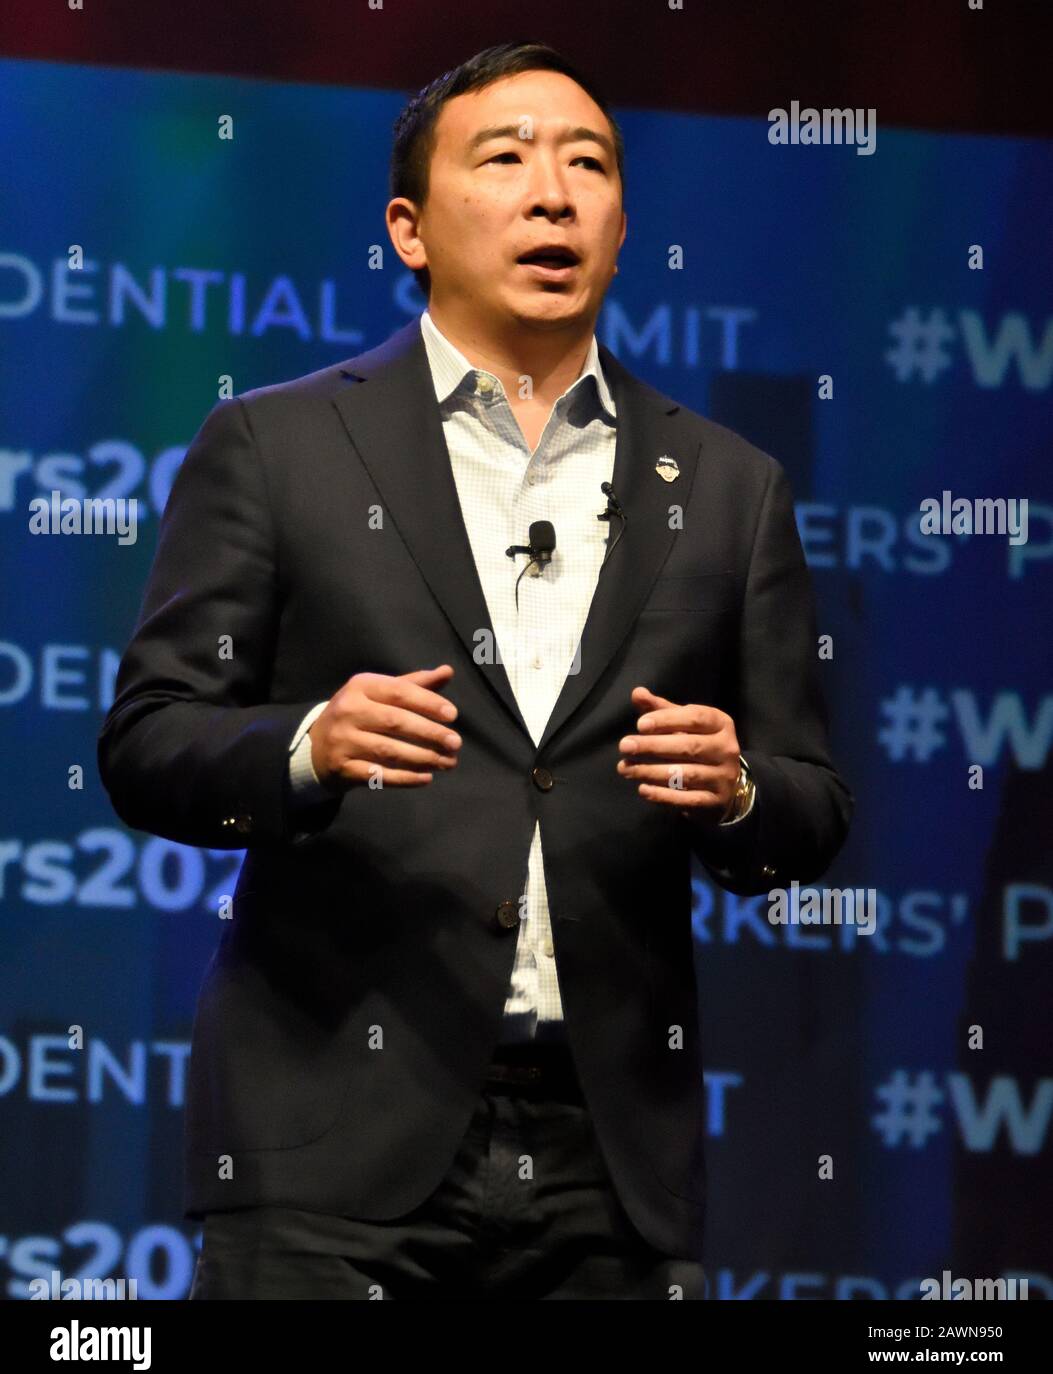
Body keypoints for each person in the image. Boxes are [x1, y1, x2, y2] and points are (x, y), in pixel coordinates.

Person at [97, 40, 853, 1300]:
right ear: (409, 227)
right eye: (503, 160)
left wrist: (736, 792)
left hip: (610, 1161)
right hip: (331, 1146)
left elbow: (811, 806)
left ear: (619, 231)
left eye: (588, 165)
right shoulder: (279, 446)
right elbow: (148, 740)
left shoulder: (728, 487)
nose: (551, 193)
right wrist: (307, 745)